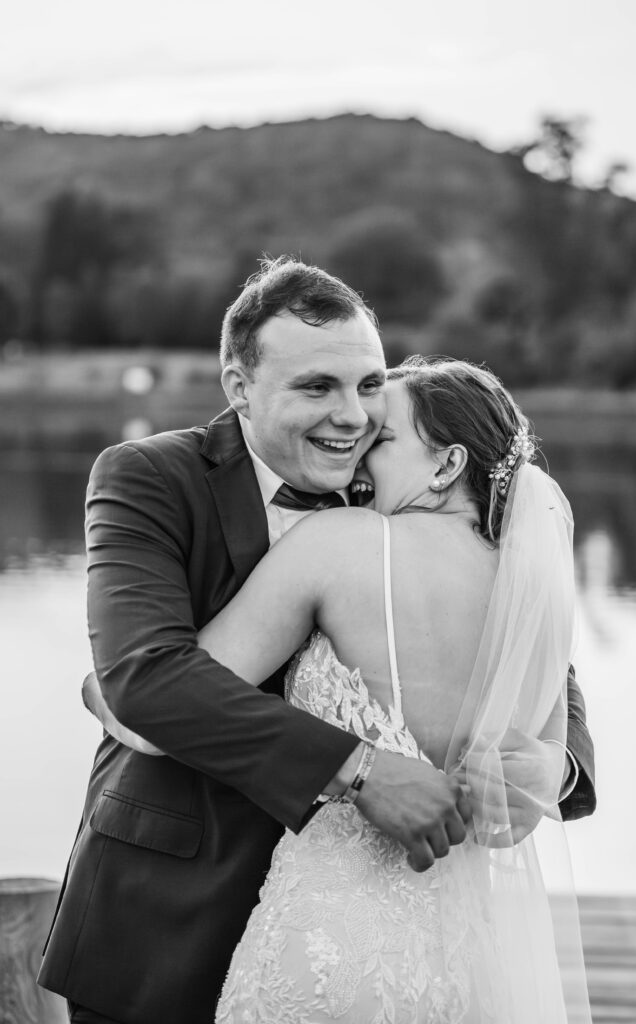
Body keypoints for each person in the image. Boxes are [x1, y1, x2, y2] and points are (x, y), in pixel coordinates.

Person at [38, 258, 595, 1024]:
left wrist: (553, 766)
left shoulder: (393, 521)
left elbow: (540, 656)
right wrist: (358, 767)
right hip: (167, 911)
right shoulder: (148, 476)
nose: (353, 419)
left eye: (369, 385)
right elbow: (148, 681)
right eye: (315, 388)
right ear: (239, 386)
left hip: (387, 921)